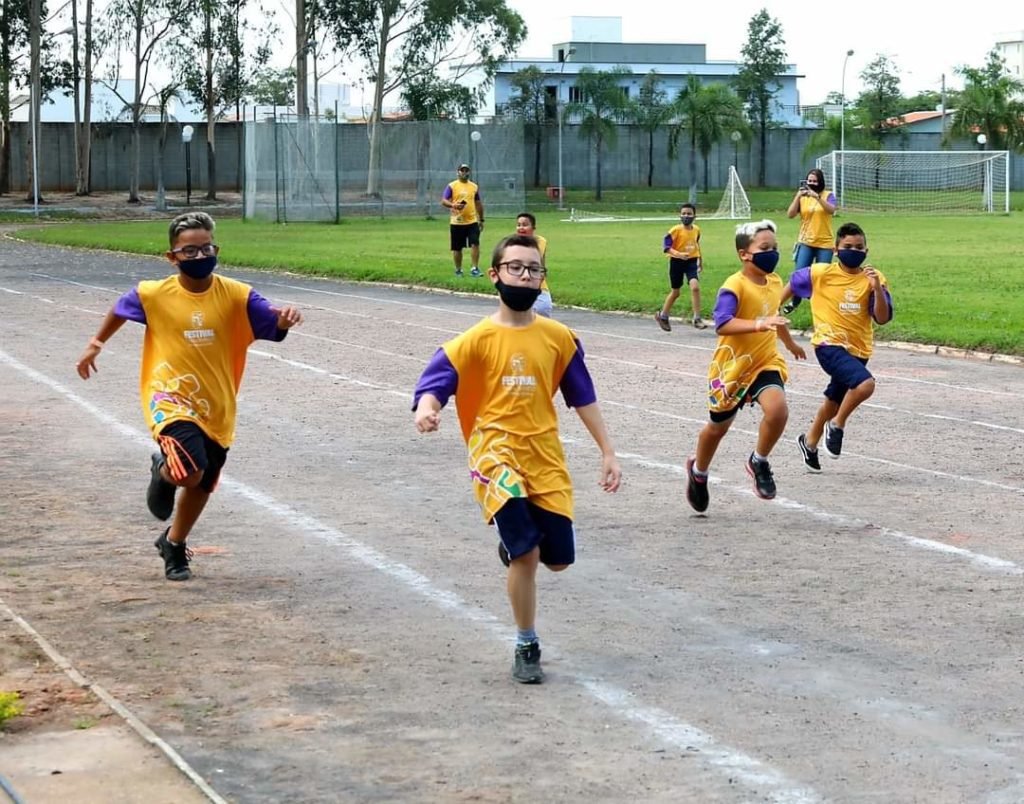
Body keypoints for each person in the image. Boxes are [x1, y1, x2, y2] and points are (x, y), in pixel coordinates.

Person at [413, 234, 621, 684]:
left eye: (534, 269)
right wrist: (428, 409)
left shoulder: (559, 339)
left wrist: (608, 451)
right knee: (527, 554)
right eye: (516, 267)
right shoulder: (476, 340)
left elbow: (582, 395)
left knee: (558, 559)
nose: (525, 276)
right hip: (494, 452)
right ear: (495, 274)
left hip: (543, 454)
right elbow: (436, 381)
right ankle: (526, 642)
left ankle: (513, 543)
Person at [75, 211, 303, 581]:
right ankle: (164, 474)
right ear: (172, 257)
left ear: (217, 248)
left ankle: (174, 544)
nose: (199, 257)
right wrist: (95, 343)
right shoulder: (153, 294)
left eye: (205, 248)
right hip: (169, 396)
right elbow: (120, 308)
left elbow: (271, 320)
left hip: (217, 405)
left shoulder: (237, 295)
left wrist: (284, 320)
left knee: (202, 482)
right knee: (188, 471)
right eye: (189, 251)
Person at [684, 219, 806, 512]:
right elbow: (723, 323)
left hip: (765, 361)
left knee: (778, 410)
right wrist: (759, 324)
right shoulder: (734, 285)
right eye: (765, 248)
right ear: (744, 254)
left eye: (775, 248)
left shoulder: (775, 282)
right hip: (732, 368)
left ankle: (759, 460)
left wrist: (788, 342)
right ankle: (698, 473)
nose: (772, 253)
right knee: (718, 428)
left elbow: (774, 316)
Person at [780, 222, 893, 471]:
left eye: (859, 247)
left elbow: (882, 318)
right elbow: (790, 285)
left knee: (834, 399)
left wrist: (876, 287)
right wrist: (772, 308)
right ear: (836, 249)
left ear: (867, 250)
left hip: (858, 349)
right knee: (865, 384)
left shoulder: (874, 278)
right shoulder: (821, 273)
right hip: (828, 344)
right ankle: (837, 425)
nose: (854, 250)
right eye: (848, 246)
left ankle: (809, 443)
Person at [784, 168, 837, 313]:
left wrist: (817, 197)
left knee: (821, 275)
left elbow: (832, 210)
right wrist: (797, 196)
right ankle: (794, 302)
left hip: (825, 243)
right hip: (806, 241)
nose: (812, 183)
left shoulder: (828, 195)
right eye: (810, 181)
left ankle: (821, 303)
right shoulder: (803, 197)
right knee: (799, 274)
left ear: (820, 182)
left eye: (815, 181)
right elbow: (790, 214)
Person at [655, 202, 707, 331]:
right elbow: (666, 248)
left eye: (689, 214)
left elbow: (696, 244)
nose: (686, 216)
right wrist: (678, 254)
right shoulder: (675, 230)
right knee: (676, 292)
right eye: (683, 214)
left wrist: (700, 259)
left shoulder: (696, 230)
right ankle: (663, 316)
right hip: (676, 263)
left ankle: (697, 318)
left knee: (695, 287)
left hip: (691, 261)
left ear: (695, 216)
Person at [441, 163, 485, 277]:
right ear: (458, 172)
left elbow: (478, 203)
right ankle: (458, 270)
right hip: (457, 221)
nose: (464, 173)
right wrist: (453, 205)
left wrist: (481, 219)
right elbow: (444, 200)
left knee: (475, 243)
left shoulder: (474, 186)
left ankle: (474, 268)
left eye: (466, 171)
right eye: (462, 170)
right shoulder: (452, 186)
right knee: (457, 247)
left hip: (472, 221)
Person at [514, 212, 553, 317]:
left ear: (533, 227)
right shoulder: (512, 244)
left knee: (543, 310)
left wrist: (543, 272)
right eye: (518, 225)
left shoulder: (541, 241)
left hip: (539, 286)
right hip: (520, 287)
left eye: (525, 224)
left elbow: (540, 260)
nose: (521, 227)